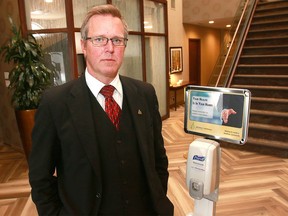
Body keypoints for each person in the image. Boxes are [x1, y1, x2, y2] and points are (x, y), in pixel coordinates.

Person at [29, 4, 174, 216]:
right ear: (84, 45)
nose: (110, 48)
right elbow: (40, 177)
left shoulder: (144, 93)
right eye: (99, 39)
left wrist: (158, 197)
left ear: (124, 45)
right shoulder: (55, 103)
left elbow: (158, 160)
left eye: (117, 40)